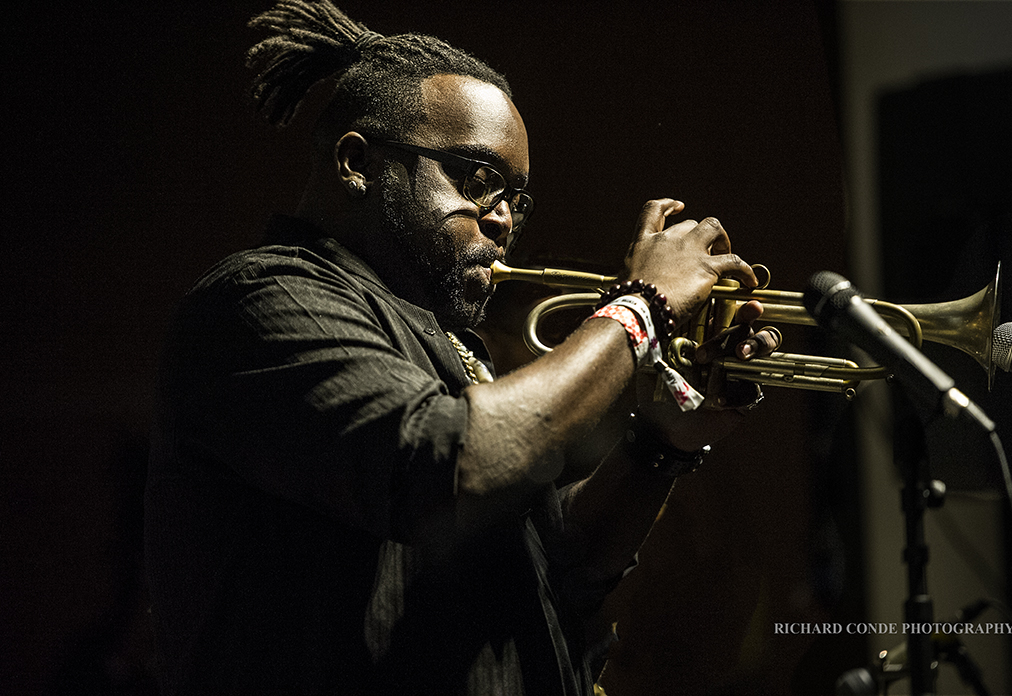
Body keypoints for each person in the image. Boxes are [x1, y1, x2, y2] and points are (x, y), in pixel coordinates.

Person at [144, 1, 781, 694]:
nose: (504, 218)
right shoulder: (258, 300)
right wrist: (642, 309)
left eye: (516, 197)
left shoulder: (440, 342)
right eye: (476, 182)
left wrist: (662, 446)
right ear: (356, 163)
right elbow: (453, 467)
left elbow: (555, 568)